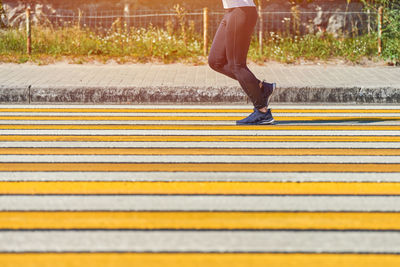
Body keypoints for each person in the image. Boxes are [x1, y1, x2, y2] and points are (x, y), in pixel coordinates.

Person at [208, 0, 276, 125]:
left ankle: (262, 112)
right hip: (231, 11)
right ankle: (261, 87)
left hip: (241, 11)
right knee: (215, 60)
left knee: (236, 65)